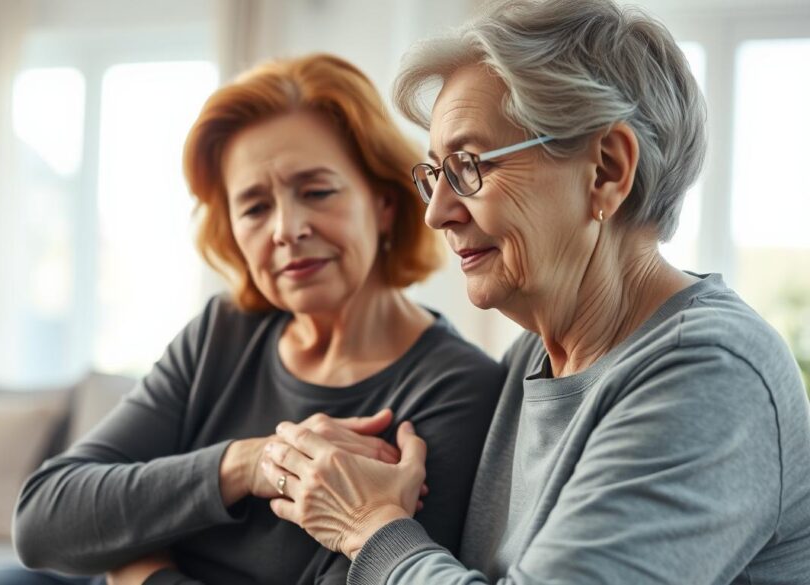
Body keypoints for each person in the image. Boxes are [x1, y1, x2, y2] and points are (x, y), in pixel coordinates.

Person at [259, 2, 810, 583]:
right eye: (434, 176)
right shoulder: (536, 357)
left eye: (469, 165)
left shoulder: (711, 373)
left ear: (606, 171)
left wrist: (371, 527)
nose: (438, 214)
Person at [0, 54, 503, 585]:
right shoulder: (224, 332)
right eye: (255, 207)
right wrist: (251, 463)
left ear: (383, 204)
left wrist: (142, 572)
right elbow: (42, 520)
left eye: (316, 191)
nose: (286, 228)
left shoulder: (455, 387)